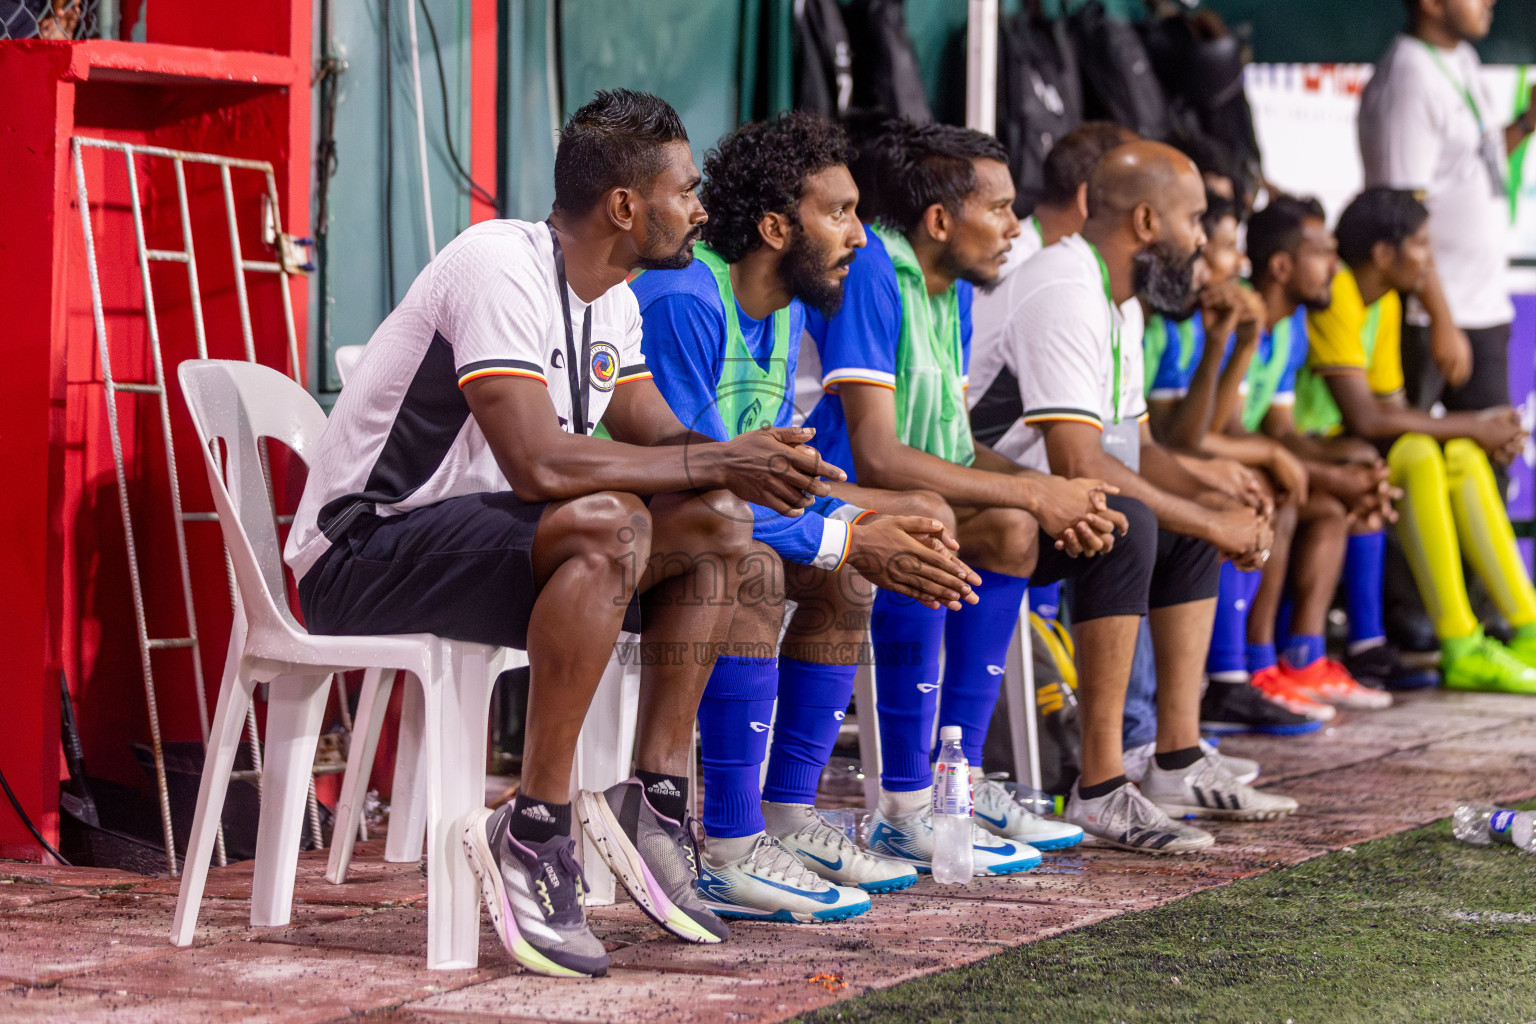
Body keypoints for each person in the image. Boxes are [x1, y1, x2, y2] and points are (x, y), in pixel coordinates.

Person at [285, 90, 846, 978]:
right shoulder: (497, 264)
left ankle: (653, 799)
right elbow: (538, 467)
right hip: (361, 551)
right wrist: (718, 461)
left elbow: (665, 442)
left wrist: (755, 464)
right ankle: (535, 823)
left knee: (719, 524)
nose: (702, 209)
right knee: (615, 522)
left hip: (489, 548)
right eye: (686, 189)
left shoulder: (613, 297)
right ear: (626, 207)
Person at [633, 113, 983, 919]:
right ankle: (725, 844)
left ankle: (789, 816)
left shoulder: (785, 308)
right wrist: (849, 529)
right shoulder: (687, 298)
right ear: (773, 227)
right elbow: (692, 488)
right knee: (761, 564)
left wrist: (870, 529)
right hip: (631, 535)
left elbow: (765, 487)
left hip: (708, 522)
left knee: (853, 566)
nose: (859, 236)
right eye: (840, 213)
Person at [803, 119, 1123, 862]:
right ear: (940, 220)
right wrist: (1034, 495)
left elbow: (951, 449)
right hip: (827, 488)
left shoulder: (955, 294)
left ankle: (963, 783)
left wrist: (1047, 492)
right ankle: (906, 802)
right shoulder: (873, 272)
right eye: (1001, 208)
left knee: (1014, 529)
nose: (1016, 227)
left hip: (893, 492)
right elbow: (880, 454)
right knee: (935, 515)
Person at [970, 139, 1299, 842]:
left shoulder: (1122, 304)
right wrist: (1214, 523)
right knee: (1137, 526)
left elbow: (1139, 448)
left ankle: (1175, 758)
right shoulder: (1064, 287)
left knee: (1178, 524)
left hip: (1039, 500)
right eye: (1197, 219)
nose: (1205, 240)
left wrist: (1214, 502)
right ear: (1148, 223)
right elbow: (1080, 461)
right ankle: (1101, 785)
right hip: (982, 502)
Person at [1292, 186, 1536, 692]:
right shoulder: (1338, 291)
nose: (1429, 260)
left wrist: (1477, 429)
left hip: (1349, 443)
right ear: (1385, 254)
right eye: (1422, 244)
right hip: (1309, 445)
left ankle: (1528, 624)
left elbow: (1395, 409)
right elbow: (1366, 418)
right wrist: (1471, 422)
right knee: (1423, 453)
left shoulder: (1381, 300)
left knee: (1464, 456)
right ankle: (1459, 641)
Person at [1141, 191, 1340, 733]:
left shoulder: (1238, 324)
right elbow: (1183, 439)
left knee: (1288, 499)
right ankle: (1230, 680)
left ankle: (1265, 665)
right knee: (1229, 501)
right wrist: (1266, 454)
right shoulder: (1167, 325)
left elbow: (1222, 430)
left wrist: (1236, 341)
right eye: (1224, 248)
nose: (1236, 264)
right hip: (1136, 472)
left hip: (1155, 459)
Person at [1211, 196, 1398, 714]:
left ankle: (1305, 658)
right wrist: (1319, 473)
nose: (1335, 269)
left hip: (1247, 459)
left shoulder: (1289, 328)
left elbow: (1282, 432)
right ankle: (1255, 661)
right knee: (1286, 500)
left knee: (1337, 503)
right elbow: (1221, 430)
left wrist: (1345, 468)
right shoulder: (1241, 315)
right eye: (1323, 253)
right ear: (1281, 266)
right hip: (1212, 466)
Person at [1358, 0, 1534, 414]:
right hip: (1435, 313)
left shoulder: (1462, 59)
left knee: (1489, 463)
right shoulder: (1408, 78)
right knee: (1423, 458)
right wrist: (1441, 319)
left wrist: (1525, 123)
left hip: (1482, 303)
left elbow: (1472, 166)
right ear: (1432, 4)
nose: (1489, 1)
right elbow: (1401, 218)